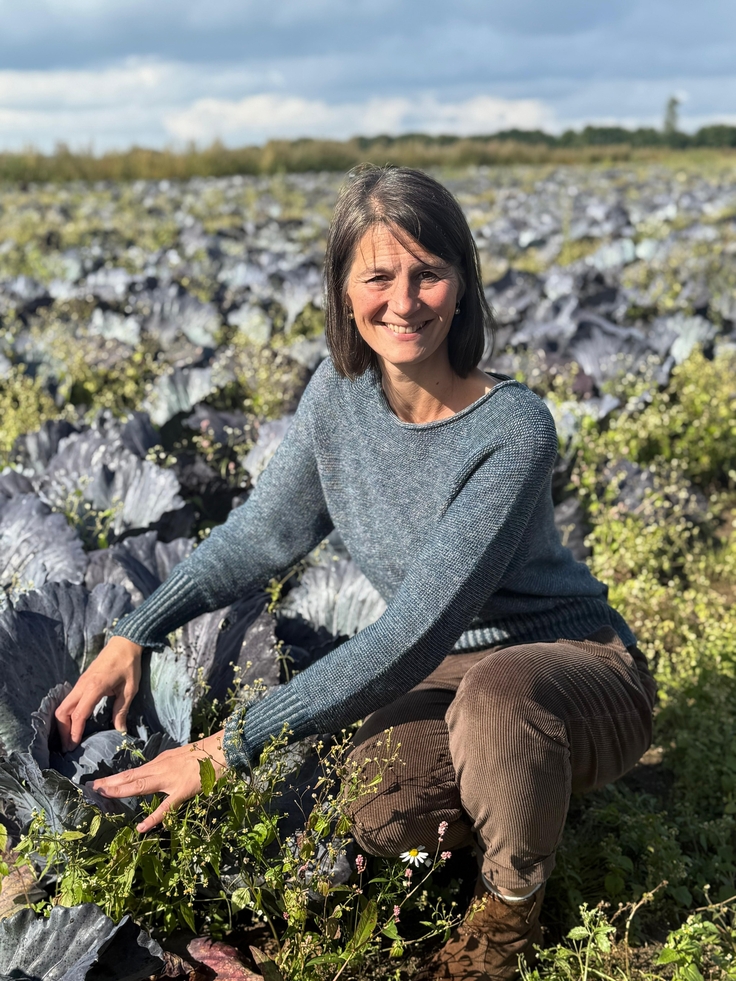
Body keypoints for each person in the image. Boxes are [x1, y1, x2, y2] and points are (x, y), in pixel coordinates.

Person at [56, 165, 656, 980]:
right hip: (450, 671)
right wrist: (136, 628)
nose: (404, 301)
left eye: (429, 273)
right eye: (378, 275)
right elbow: (261, 536)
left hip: (575, 662)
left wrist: (229, 746)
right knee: (377, 800)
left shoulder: (512, 428)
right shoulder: (339, 397)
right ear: (343, 291)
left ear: (462, 286)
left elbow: (414, 631)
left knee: (500, 701)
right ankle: (512, 793)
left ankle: (506, 918)